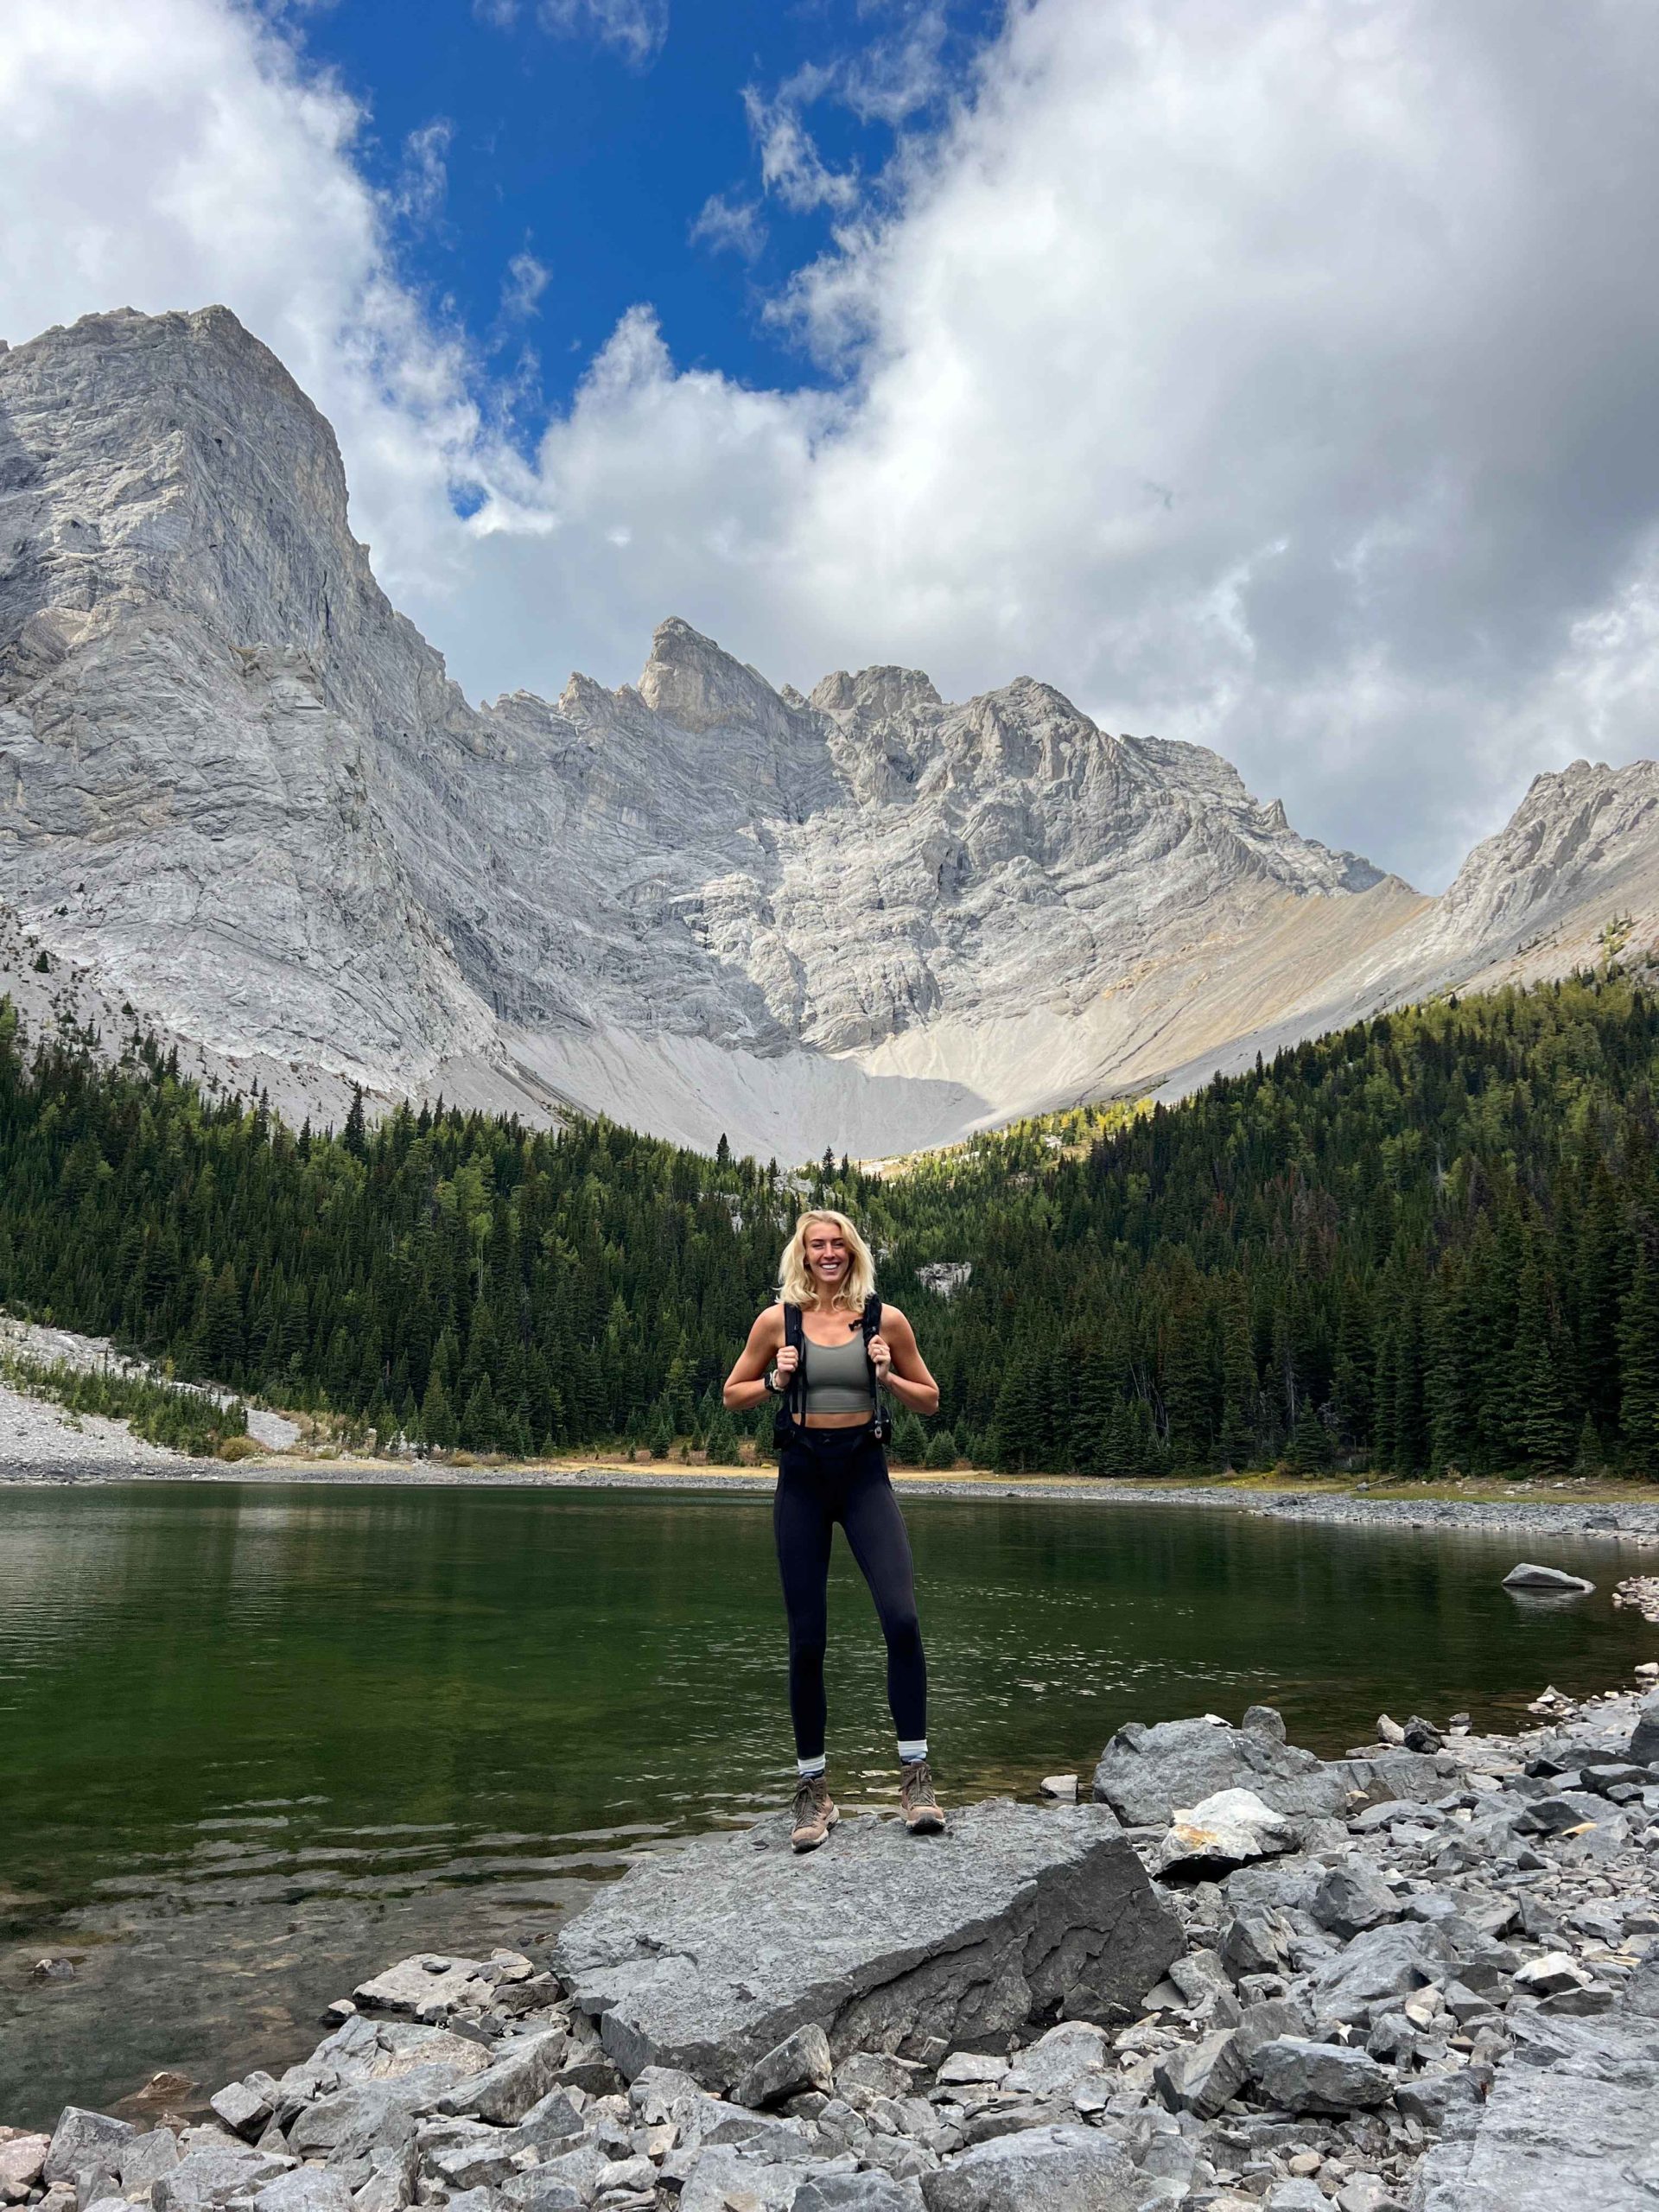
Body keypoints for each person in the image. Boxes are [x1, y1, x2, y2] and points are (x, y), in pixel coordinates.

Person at [723, 1208, 944, 1853]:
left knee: (902, 1620)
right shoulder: (778, 1321)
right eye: (817, 1245)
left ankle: (915, 1777)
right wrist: (775, 1379)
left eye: (838, 1245)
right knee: (807, 1640)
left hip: (865, 1476)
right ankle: (815, 1790)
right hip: (802, 1479)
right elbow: (732, 1392)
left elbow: (928, 1398)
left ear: (853, 1253)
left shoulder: (884, 1320)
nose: (828, 1254)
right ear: (802, 1253)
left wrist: (887, 1374)